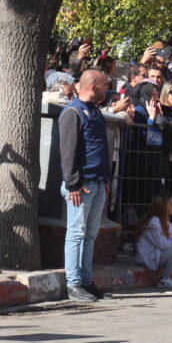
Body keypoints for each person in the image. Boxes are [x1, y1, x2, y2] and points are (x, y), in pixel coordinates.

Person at [58, 70, 112, 302]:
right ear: (93, 86)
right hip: (82, 186)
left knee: (89, 235)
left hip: (97, 183)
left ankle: (87, 282)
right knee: (76, 234)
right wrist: (73, 185)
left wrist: (106, 179)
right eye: (104, 85)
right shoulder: (73, 112)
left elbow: (101, 148)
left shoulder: (95, 111)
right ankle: (74, 284)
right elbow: (68, 152)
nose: (106, 88)